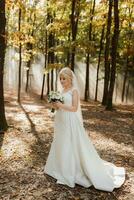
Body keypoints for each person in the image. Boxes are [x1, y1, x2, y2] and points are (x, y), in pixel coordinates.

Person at [44, 67, 125, 192]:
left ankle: (70, 171)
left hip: (70, 121)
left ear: (70, 78)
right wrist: (55, 105)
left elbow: (74, 108)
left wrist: (60, 105)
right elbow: (60, 106)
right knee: (60, 143)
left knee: (69, 144)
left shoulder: (74, 90)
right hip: (60, 120)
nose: (61, 81)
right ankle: (58, 167)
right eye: (60, 78)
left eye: (64, 78)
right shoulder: (62, 90)